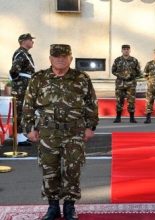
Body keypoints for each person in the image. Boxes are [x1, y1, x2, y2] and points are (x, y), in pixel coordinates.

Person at [22, 44, 99, 220]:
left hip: (74, 132)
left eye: (64, 56)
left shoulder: (81, 78)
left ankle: (70, 206)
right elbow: (28, 105)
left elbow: (91, 104)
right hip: (48, 133)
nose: (60, 59)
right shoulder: (39, 78)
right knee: (50, 170)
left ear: (71, 58)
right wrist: (29, 128)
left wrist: (90, 126)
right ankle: (53, 206)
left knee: (73, 169)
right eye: (56, 56)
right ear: (50, 58)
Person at [9, 33, 36, 146]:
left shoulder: (25, 53)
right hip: (20, 86)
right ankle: (17, 135)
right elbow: (14, 71)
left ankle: (20, 134)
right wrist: (19, 82)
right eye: (30, 40)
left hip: (24, 85)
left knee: (22, 110)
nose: (32, 42)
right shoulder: (21, 53)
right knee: (18, 110)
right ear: (24, 41)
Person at [111, 44, 142, 123]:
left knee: (131, 101)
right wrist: (121, 75)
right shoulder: (117, 60)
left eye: (127, 49)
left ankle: (132, 118)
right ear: (122, 50)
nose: (126, 50)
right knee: (119, 101)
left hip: (131, 84)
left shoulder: (134, 60)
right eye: (124, 49)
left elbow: (139, 72)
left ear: (130, 50)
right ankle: (118, 117)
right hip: (120, 84)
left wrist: (131, 75)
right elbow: (113, 71)